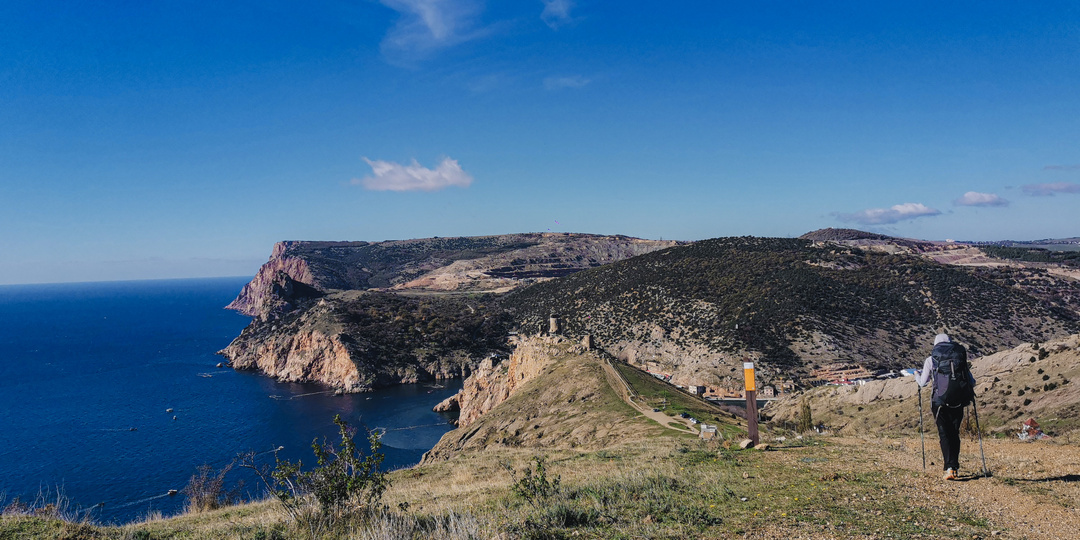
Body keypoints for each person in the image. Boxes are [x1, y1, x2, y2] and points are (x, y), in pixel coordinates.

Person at [915, 333, 976, 480]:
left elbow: (922, 383)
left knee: (944, 434)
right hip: (959, 401)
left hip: (939, 402)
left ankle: (948, 468)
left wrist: (916, 375)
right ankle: (954, 467)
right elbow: (972, 382)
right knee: (955, 433)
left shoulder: (931, 359)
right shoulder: (959, 359)